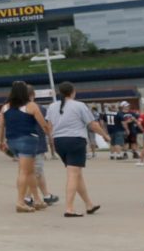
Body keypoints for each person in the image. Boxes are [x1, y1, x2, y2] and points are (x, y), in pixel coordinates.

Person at [44, 82, 107, 217]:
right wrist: (105, 135)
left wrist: (52, 141)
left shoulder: (52, 106)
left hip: (59, 141)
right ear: (73, 92)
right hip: (75, 140)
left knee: (77, 174)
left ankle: (89, 204)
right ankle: (69, 208)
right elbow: (92, 124)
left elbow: (49, 126)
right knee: (73, 174)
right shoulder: (79, 105)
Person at [0, 81, 52, 213]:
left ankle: (37, 199)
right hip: (28, 140)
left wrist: (0, 141)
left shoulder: (5, 107)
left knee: (29, 171)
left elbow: (1, 126)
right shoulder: (30, 105)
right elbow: (43, 124)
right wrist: (49, 131)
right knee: (25, 172)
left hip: (12, 141)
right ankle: (20, 202)